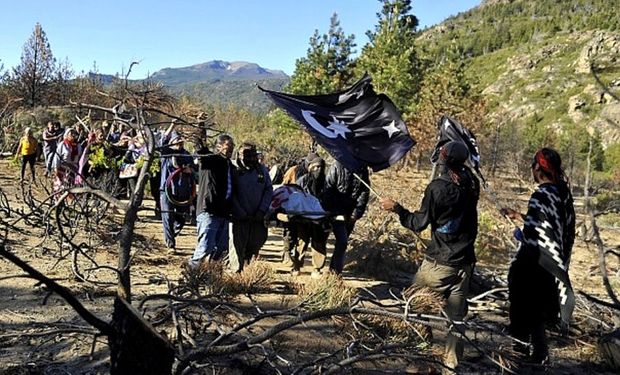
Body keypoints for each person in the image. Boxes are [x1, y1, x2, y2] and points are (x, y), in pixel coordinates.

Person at [380, 141, 480, 373]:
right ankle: (451, 365)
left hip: (439, 263)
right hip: (465, 263)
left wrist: (397, 208)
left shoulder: (437, 188)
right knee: (456, 319)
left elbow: (418, 223)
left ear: (443, 161)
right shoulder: (472, 183)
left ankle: (419, 360)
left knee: (413, 306)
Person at [501, 148, 575, 365]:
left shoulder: (540, 195)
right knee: (536, 315)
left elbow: (537, 234)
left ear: (538, 168)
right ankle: (540, 358)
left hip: (532, 263)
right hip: (550, 264)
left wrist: (522, 234)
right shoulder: (561, 193)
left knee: (522, 312)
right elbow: (552, 225)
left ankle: (519, 358)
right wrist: (521, 217)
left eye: (533, 165)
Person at [189, 134, 235, 268]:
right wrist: (200, 126)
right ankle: (190, 274)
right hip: (208, 210)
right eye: (228, 146)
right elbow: (200, 147)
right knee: (205, 247)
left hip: (224, 213)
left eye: (232, 146)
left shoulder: (230, 166)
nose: (231, 149)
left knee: (221, 249)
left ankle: (213, 279)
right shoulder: (210, 160)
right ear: (219, 146)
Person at [229, 143, 273, 272]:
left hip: (257, 216)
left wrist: (262, 210)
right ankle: (236, 273)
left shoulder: (262, 170)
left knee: (256, 243)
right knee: (237, 246)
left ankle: (248, 271)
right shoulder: (233, 170)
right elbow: (230, 192)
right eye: (246, 155)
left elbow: (268, 190)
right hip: (238, 216)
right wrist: (239, 211)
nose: (249, 158)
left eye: (252, 155)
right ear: (239, 155)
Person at [322, 160, 370, 275]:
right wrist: (335, 212)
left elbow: (364, 192)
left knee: (342, 243)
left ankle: (333, 272)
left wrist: (356, 213)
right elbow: (328, 190)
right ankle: (335, 274)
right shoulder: (337, 167)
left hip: (351, 212)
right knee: (342, 241)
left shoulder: (362, 169)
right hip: (335, 212)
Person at [292, 153, 329, 276]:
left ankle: (317, 268)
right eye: (315, 167)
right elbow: (294, 196)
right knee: (301, 242)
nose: (318, 170)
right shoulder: (302, 181)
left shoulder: (327, 183)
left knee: (319, 243)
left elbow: (330, 199)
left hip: (320, 218)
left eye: (321, 167)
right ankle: (296, 266)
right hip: (304, 217)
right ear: (310, 167)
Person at [160, 129, 195, 254]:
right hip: (166, 190)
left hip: (183, 191)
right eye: (176, 141)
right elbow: (163, 141)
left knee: (181, 218)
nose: (179, 144)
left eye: (181, 142)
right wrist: (172, 126)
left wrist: (189, 170)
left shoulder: (186, 154)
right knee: (167, 216)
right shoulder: (166, 153)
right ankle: (170, 244)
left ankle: (171, 234)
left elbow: (194, 169)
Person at [52, 128, 82, 195]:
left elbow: (80, 157)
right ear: (66, 135)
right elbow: (57, 157)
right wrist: (56, 168)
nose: (73, 135)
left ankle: (69, 201)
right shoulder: (62, 144)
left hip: (73, 168)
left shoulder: (78, 146)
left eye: (74, 133)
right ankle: (57, 200)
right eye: (71, 134)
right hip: (62, 168)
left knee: (70, 186)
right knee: (59, 185)